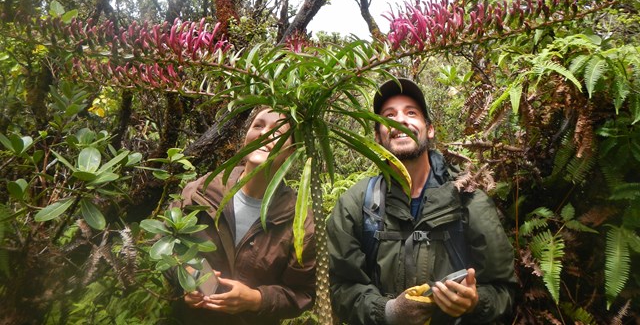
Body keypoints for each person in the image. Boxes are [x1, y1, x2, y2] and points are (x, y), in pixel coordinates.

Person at [327, 78, 516, 325]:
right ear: (377, 136)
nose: (400, 121)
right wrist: (388, 311)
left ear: (430, 128)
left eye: (411, 113)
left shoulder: (469, 199)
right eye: (389, 115)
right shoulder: (355, 204)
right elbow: (340, 287)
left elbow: (505, 290)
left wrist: (475, 302)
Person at [167, 106, 316, 325]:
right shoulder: (201, 191)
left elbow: (304, 293)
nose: (265, 134)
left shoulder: (300, 221)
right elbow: (165, 242)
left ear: (291, 151)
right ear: (246, 137)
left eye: (279, 131)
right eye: (258, 125)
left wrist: (256, 299)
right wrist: (187, 279)